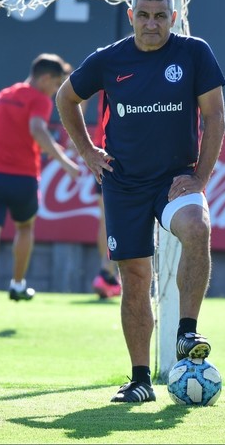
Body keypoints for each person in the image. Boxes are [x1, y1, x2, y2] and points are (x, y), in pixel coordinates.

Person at [56, 0, 225, 403]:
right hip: (125, 183)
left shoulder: (194, 53)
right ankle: (140, 379)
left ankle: (186, 333)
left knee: (197, 226)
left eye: (161, 16)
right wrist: (88, 152)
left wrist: (200, 178)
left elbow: (216, 117)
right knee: (135, 278)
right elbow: (65, 98)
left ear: (173, 17)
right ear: (131, 16)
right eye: (144, 15)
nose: (152, 23)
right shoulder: (108, 59)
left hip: (175, 178)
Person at [0, 53, 80, 331]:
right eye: (56, 84)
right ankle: (18, 283)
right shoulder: (38, 99)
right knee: (25, 228)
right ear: (45, 78)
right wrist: (66, 162)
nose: (56, 91)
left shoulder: (1, 96)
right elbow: (35, 129)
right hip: (22, 179)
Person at [87, 91, 122, 299]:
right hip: (123, 147)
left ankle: (107, 271)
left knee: (107, 218)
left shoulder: (106, 59)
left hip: (102, 149)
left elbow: (77, 95)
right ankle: (108, 272)